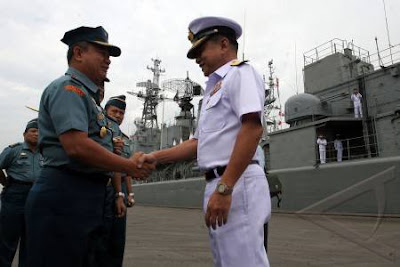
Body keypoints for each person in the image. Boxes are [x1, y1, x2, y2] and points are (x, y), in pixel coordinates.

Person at [24, 26, 156, 267]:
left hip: (86, 196)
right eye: (102, 53)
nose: (108, 60)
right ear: (78, 53)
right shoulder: (69, 88)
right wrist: (130, 166)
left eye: (110, 56)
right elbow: (77, 146)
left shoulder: (89, 99)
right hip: (65, 195)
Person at [149, 16, 271, 267]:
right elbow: (198, 143)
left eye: (200, 50)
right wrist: (154, 158)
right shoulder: (214, 90)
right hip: (221, 184)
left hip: (235, 183)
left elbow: (252, 127)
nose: (197, 59)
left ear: (224, 44)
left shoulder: (241, 74)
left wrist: (225, 188)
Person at [0, 119, 40, 267]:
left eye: (40, 132)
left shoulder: (45, 152)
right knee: (8, 239)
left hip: (36, 196)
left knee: (30, 240)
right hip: (15, 194)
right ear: (25, 134)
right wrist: (5, 182)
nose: (37, 134)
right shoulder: (14, 150)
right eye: (33, 131)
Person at [101, 94, 133, 267]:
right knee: (100, 237)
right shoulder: (99, 130)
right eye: (115, 111)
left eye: (122, 113)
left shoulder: (125, 138)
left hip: (118, 187)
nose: (118, 115)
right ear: (105, 111)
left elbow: (124, 169)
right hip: (102, 187)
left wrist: (127, 193)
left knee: (117, 237)